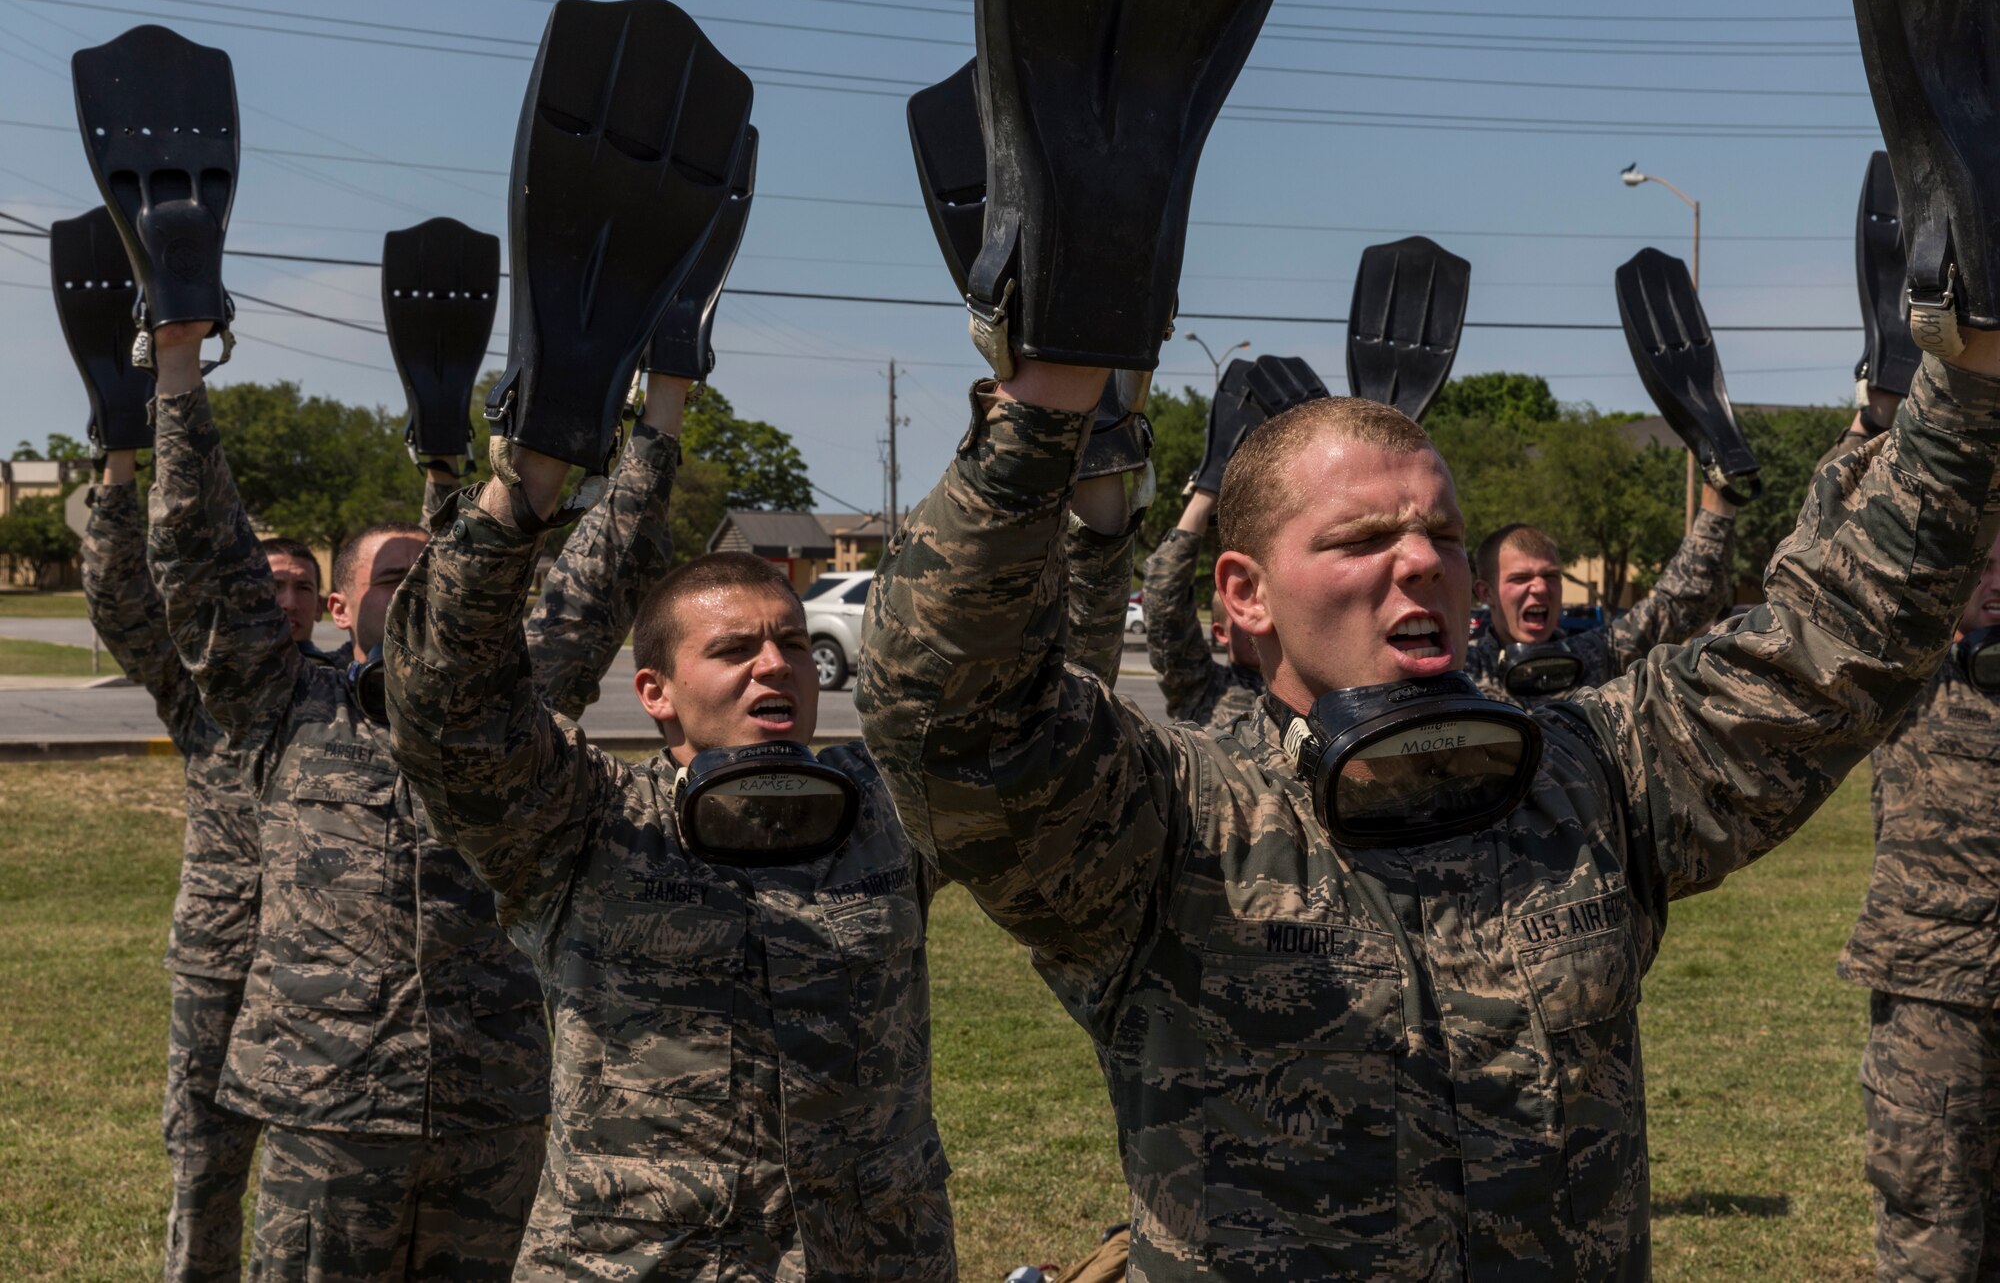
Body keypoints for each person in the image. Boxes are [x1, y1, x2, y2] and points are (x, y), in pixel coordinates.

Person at [857, 331, 2000, 1276]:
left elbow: (1834, 644)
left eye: (1441, 535)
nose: (1419, 563)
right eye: (1360, 538)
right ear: (1242, 596)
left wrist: (1966, 361)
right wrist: (1047, 389)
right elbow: (947, 714)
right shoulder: (1171, 818)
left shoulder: (1586, 771)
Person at [382, 374, 1139, 1278]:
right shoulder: (584, 820)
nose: (775, 666)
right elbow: (444, 705)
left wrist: (1090, 512)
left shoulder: (883, 805)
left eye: (788, 643)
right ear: (654, 692)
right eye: (735, 650)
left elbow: (1038, 718)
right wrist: (525, 482)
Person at [141, 320, 682, 1281]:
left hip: (493, 1101)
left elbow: (611, 567)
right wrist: (178, 367)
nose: (421, 584)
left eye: (432, 568)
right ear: (343, 606)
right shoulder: (282, 703)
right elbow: (199, 554)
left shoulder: (514, 704)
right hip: (332, 1107)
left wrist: (666, 404)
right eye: (395, 576)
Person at [81, 471, 330, 1282]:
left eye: (301, 586)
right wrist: (118, 481)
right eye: (270, 581)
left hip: (327, 972)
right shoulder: (203, 688)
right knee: (203, 1164)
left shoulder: (350, 696)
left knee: (323, 1174)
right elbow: (121, 603)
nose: (285, 597)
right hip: (220, 959)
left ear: (326, 605)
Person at [1815, 385, 2000, 1282]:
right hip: (1935, 995)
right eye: (1983, 558)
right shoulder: (1908, 665)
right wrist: (1877, 420)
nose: (1997, 575)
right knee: (1935, 1237)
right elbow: (1831, 546)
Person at [1464, 488, 1737, 707]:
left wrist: (1720, 493)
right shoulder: (1464, 672)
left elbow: (1683, 603)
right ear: (1485, 592)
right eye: (1520, 578)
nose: (1540, 588)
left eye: (1550, 576)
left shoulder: (1596, 654)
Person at [1143, 489, 1262, 727]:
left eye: (1263, 607)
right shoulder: (1204, 687)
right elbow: (1164, 608)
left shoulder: (1309, 686)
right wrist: (1205, 493)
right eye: (1240, 613)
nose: (1256, 619)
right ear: (1220, 633)